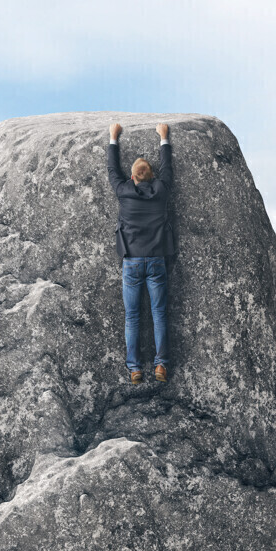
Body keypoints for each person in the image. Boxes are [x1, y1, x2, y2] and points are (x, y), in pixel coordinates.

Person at [107, 121, 176, 384]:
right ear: (151, 177)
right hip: (157, 260)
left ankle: (135, 369)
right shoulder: (160, 190)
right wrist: (163, 138)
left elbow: (113, 170)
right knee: (159, 314)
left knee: (132, 317)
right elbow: (168, 169)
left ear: (133, 178)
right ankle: (160, 366)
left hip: (132, 262)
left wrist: (114, 137)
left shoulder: (124, 192)